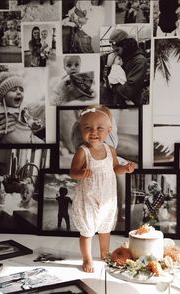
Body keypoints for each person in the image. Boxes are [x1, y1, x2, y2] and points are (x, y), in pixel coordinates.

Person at [70, 105, 135, 272]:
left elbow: (115, 168)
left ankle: (104, 253)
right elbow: (73, 173)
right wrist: (81, 173)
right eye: (88, 128)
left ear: (108, 130)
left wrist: (125, 168)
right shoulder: (82, 152)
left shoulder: (110, 149)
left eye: (100, 128)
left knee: (105, 228)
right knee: (88, 230)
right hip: (89, 197)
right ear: (81, 130)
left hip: (107, 196)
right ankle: (87, 258)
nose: (94, 132)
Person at [0, 66, 44, 143]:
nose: (19, 92)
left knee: (41, 143)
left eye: (21, 90)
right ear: (3, 96)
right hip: (10, 142)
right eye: (13, 90)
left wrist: (33, 124)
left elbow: (27, 119)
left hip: (29, 138)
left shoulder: (22, 109)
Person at [107, 28, 147, 106]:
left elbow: (128, 91)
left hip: (131, 106)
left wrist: (112, 87)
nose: (115, 54)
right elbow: (109, 78)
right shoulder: (122, 57)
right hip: (119, 102)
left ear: (125, 45)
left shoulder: (139, 61)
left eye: (117, 50)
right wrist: (109, 66)